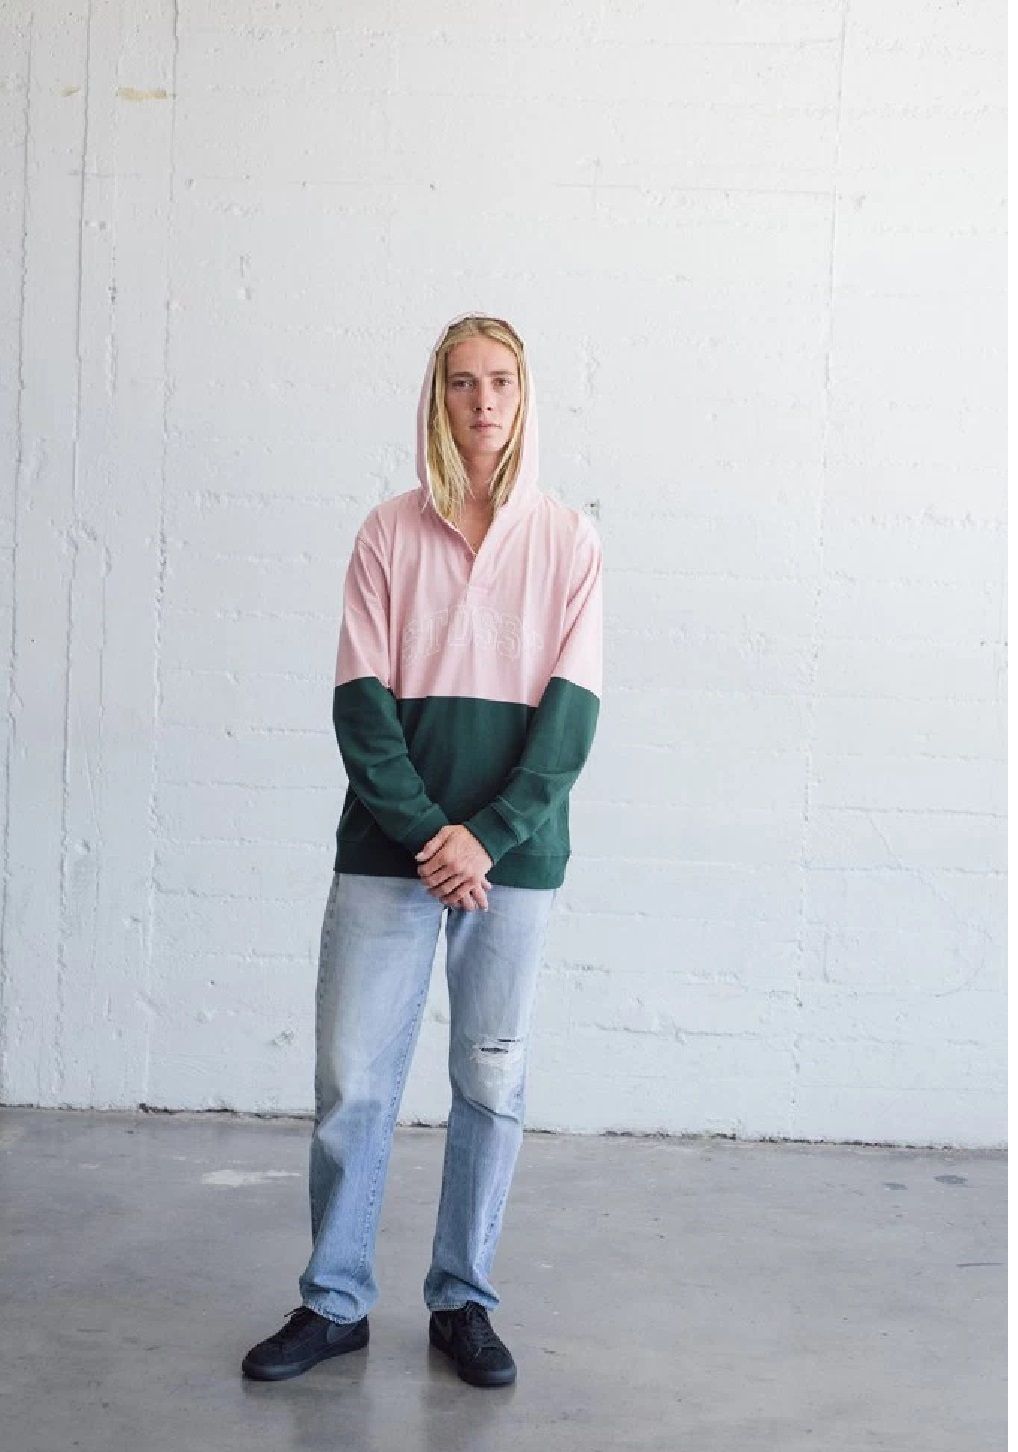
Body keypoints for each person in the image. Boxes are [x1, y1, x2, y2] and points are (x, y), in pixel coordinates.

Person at [241, 311, 603, 1389]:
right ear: (435, 397)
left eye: (501, 382)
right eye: (461, 382)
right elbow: (360, 707)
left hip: (512, 861)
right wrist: (427, 834)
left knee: (490, 1083)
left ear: (524, 398)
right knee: (353, 1082)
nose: (482, 402)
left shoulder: (569, 541)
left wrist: (481, 838)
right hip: (384, 850)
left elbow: (570, 723)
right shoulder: (387, 534)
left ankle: (463, 1300)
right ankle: (334, 1301)